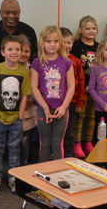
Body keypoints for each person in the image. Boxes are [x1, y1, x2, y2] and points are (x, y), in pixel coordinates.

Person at [0, 35, 31, 194]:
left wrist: (21, 115)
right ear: (3, 52)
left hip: (16, 119)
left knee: (14, 148)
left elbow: (24, 95)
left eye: (17, 49)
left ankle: (13, 177)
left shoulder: (24, 72)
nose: (14, 52)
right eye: (10, 49)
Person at [31, 26, 75, 163]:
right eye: (48, 41)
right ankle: (43, 173)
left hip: (61, 109)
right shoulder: (37, 62)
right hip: (43, 109)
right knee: (45, 143)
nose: (52, 44)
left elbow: (71, 86)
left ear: (60, 43)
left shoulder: (66, 63)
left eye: (55, 41)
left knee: (57, 143)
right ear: (42, 42)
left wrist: (63, 107)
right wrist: (44, 108)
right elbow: (34, 87)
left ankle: (58, 172)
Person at [71, 15, 98, 158]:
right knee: (80, 116)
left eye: (93, 28)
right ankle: (77, 143)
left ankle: (88, 142)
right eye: (88, 28)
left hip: (94, 89)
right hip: (81, 87)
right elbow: (74, 68)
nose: (91, 31)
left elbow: (100, 69)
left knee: (91, 116)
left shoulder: (98, 46)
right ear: (81, 30)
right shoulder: (76, 46)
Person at [60, 27, 85, 158]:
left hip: (73, 102)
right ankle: (58, 154)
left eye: (69, 43)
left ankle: (69, 155)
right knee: (58, 132)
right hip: (57, 103)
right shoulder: (54, 60)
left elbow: (81, 82)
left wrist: (80, 101)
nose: (66, 46)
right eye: (63, 42)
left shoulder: (76, 61)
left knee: (70, 131)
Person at [0, 0, 37, 64]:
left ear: (19, 12)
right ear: (0, 12)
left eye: (15, 13)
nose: (11, 16)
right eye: (7, 12)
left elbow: (34, 58)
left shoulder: (29, 31)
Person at [18, 37, 37, 166]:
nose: (24, 54)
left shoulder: (32, 68)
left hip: (28, 112)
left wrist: (32, 99)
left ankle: (23, 165)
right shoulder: (7, 68)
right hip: (12, 111)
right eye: (21, 50)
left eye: (27, 51)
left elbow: (39, 88)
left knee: (25, 141)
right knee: (13, 142)